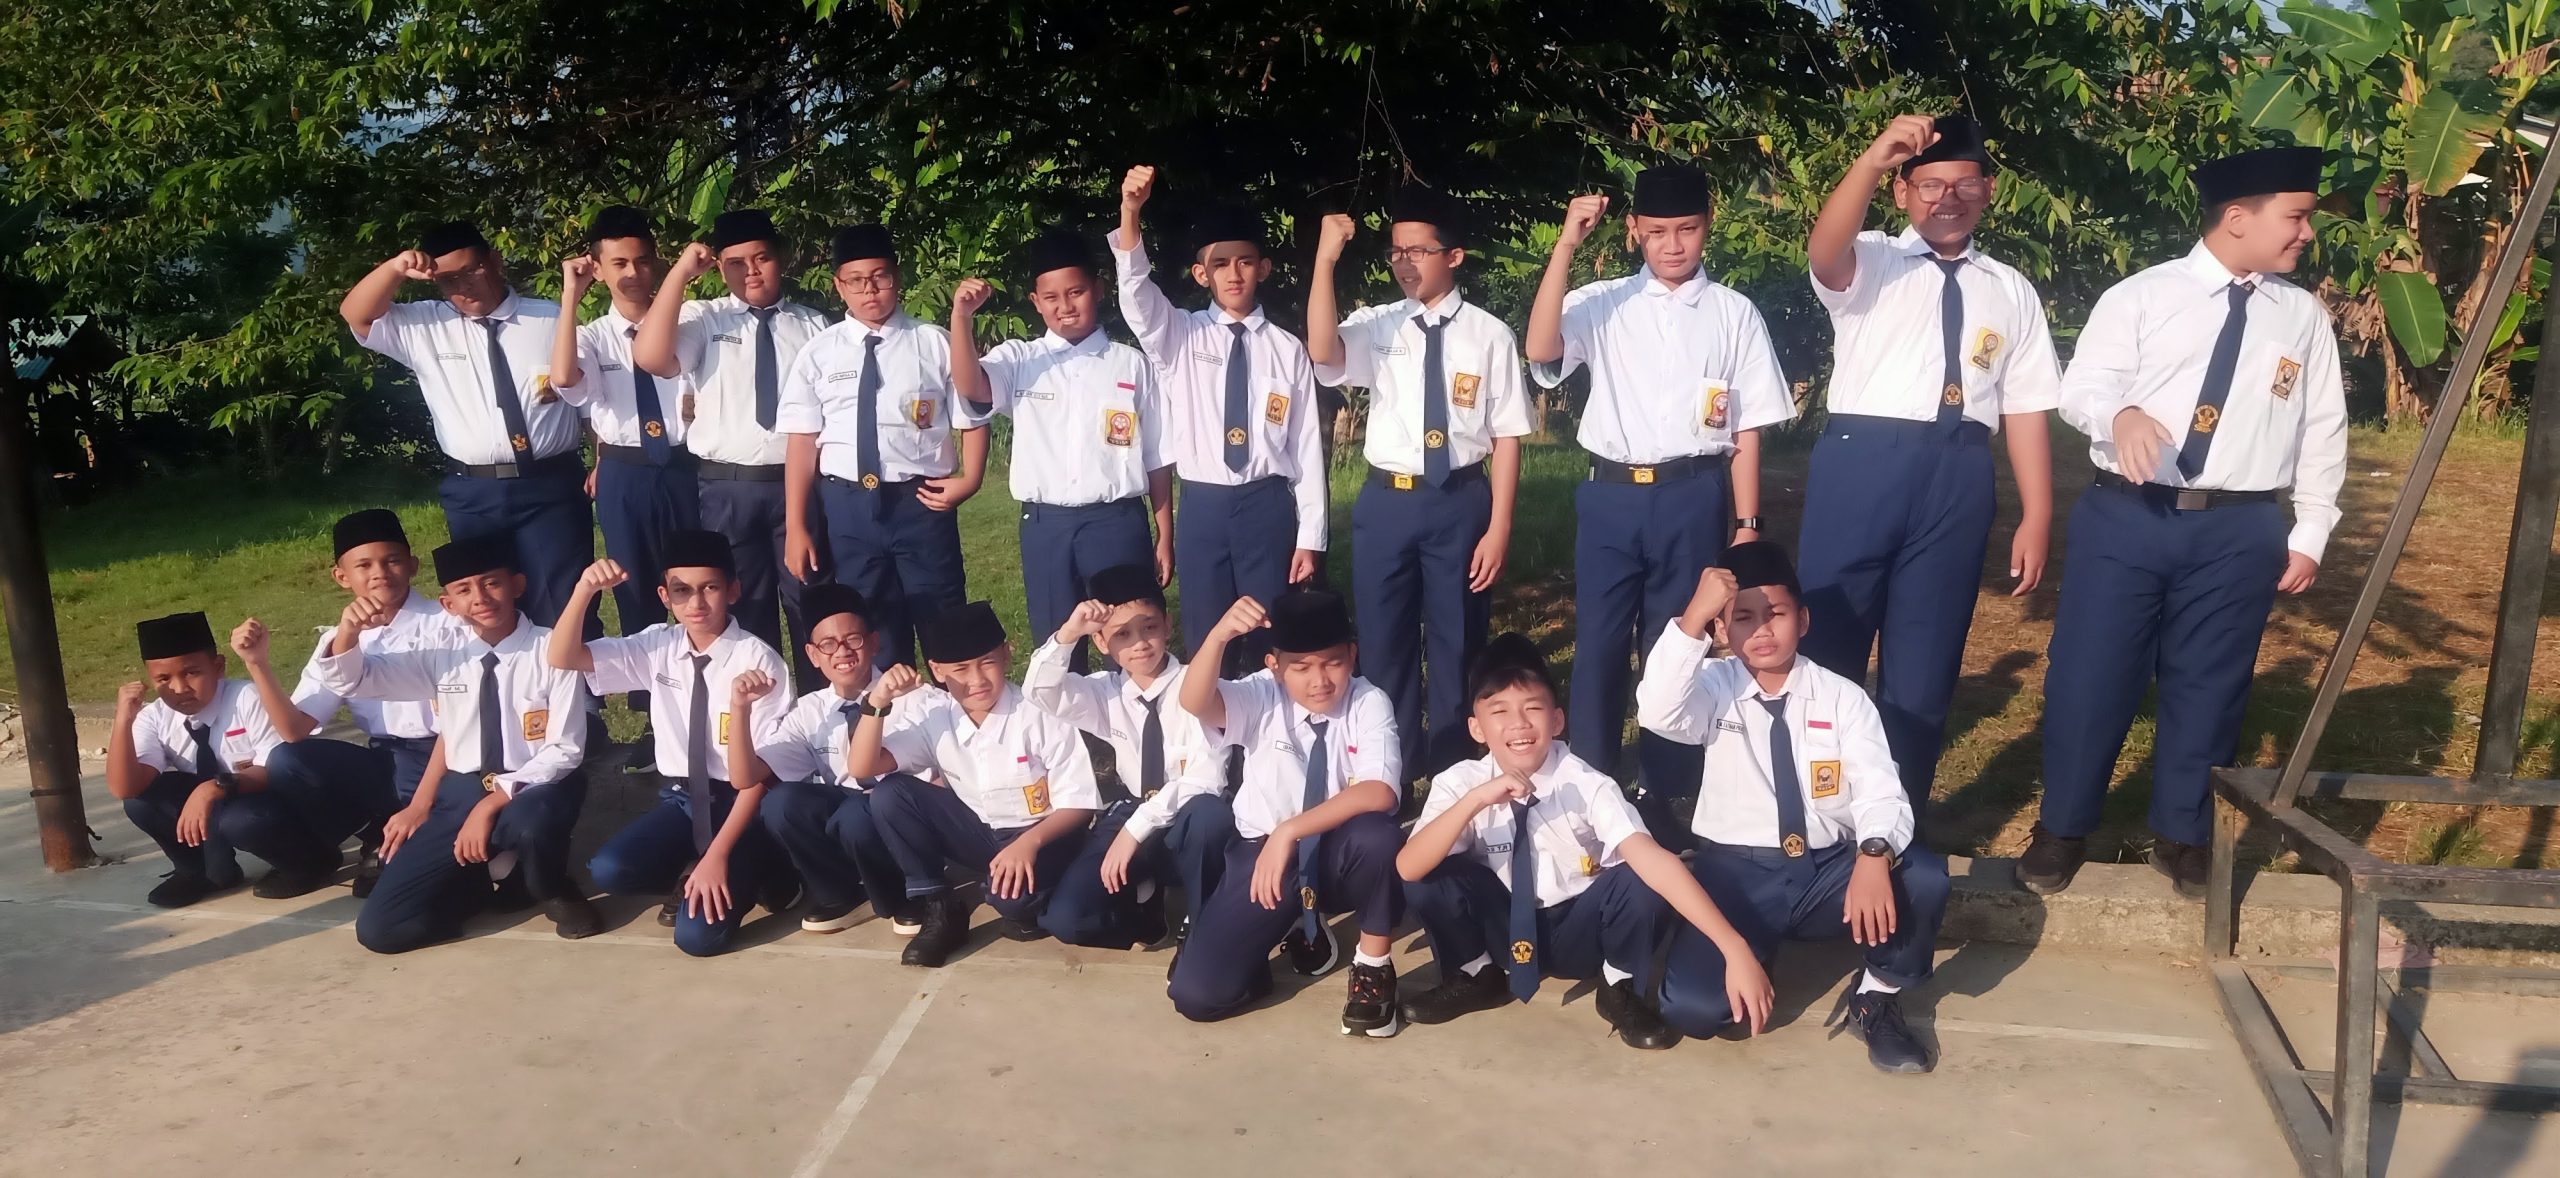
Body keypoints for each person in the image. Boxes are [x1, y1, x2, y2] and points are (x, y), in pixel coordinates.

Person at [2023, 145, 2346, 900]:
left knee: (2211, 682)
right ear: (2237, 218)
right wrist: (2122, 413)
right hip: (2128, 517)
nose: (2306, 233)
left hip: (2238, 527)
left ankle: (2183, 833)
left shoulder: (2300, 316)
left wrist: (2311, 529)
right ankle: (2062, 826)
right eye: (2295, 218)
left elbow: (2323, 426)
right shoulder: (2142, 296)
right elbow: (2083, 387)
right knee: (2091, 675)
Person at [1798, 114, 2060, 822]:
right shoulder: (1873, 261)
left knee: (1926, 660)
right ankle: (1816, 820)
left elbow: (2026, 406)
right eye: (1930, 185)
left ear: (1989, 190)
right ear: (1902, 193)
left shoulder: (2009, 288)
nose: (1948, 199)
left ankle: (1894, 826)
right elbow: (1824, 251)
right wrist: (1871, 160)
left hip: (1959, 474)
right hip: (1862, 468)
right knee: (1829, 646)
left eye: (1965, 185)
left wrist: (2037, 512)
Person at [1523, 165, 1795, 848]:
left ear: (1707, 227)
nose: (1673, 245)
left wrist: (1747, 525)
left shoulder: (1733, 313)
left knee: (1679, 642)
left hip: (1692, 492)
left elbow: (1747, 428)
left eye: (1688, 230)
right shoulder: (1602, 301)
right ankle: (1589, 781)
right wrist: (1565, 246)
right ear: (1634, 231)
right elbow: (1541, 350)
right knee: (1601, 643)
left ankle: (1664, 790)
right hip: (1611, 495)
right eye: (1658, 232)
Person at [1636, 541, 1946, 1074]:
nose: (1761, 630)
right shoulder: (1712, 688)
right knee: (1695, 1011)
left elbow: (1880, 788)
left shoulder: (1842, 698)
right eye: (1743, 618)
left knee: (1923, 877)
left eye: (1775, 614)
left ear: (1802, 620)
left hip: (1827, 872)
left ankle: (1876, 996)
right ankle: (1752, 949)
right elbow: (1657, 712)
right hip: (1736, 876)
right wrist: (1692, 618)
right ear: (1722, 630)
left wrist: (1874, 854)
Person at [1396, 633, 1771, 1049]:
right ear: (1476, 728)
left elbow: (1652, 859)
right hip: (1501, 923)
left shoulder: (1585, 782)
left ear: (1557, 721)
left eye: (1532, 708)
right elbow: (1408, 867)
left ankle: (1618, 985)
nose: (1518, 724)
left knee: (1642, 877)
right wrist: (1475, 801)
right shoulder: (1461, 782)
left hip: (1578, 927)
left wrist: (1733, 947)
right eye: (1499, 710)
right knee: (1428, 869)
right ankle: (1476, 974)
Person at [1308, 185, 1531, 776]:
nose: (1404, 263)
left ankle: (1454, 771)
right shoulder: (1378, 325)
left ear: (1453, 256)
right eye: (1396, 252)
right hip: (1388, 503)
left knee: (1458, 639)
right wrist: (1326, 260)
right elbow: (1323, 351)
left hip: (1459, 501)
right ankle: (1392, 770)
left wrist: (1499, 528)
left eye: (1419, 251)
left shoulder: (1489, 334)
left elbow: (1508, 436)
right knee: (1384, 643)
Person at [316, 535, 602, 950]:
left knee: (531, 823)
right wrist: (348, 633)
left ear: (517, 585)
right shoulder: (443, 655)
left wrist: (492, 802)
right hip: (462, 792)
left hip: (537, 785)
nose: (480, 598)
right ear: (448, 605)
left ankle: (550, 887)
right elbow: (354, 679)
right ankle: (479, 884)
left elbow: (566, 749)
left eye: (492, 583)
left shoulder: (552, 648)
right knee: (380, 931)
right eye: (464, 590)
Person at [843, 602, 1147, 967]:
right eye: (960, 669)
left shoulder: (1038, 712)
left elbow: (1079, 805)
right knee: (892, 794)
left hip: (1046, 836)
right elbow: (862, 767)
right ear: (937, 670)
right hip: (982, 833)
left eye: (987, 662)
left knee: (1012, 903)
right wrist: (877, 702)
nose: (977, 680)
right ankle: (940, 907)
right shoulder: (937, 716)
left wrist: (1028, 844)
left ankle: (1059, 894)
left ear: (1006, 654)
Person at [1111, 166, 1326, 670]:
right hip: (1204, 507)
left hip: (1267, 505)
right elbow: (1137, 296)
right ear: (1200, 274)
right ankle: (1210, 720)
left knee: (1271, 631)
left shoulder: (1287, 349)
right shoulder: (1179, 336)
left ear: (1263, 268)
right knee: (1208, 633)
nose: (1234, 274)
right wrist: (1130, 212)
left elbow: (1306, 445)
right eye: (1221, 264)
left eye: (1245, 262)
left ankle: (1268, 719)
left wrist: (1310, 535)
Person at [552, 530, 803, 957]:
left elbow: (759, 778)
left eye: (710, 588)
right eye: (682, 591)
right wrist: (584, 591)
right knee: (611, 871)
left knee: (697, 940)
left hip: (742, 807)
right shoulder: (659, 645)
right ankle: (690, 873)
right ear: (664, 596)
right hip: (684, 801)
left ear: (733, 590)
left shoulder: (759, 662)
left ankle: (766, 870)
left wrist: (717, 856)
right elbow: (563, 657)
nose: (696, 603)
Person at [1169, 588, 1406, 1036]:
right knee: (1197, 995)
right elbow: (1196, 702)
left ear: (1353, 655)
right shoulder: (1262, 695)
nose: (1320, 680)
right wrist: (1218, 636)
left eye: (1333, 662)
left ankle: (1373, 968)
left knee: (1379, 836)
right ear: (1275, 667)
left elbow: (1380, 791)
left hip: (1337, 855)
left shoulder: (1368, 701)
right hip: (1264, 860)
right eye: (1301, 667)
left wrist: (1290, 831)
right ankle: (1279, 935)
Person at [338, 220, 594, 635]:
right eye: (448, 280)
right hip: (475, 491)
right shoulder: (424, 325)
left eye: (470, 271)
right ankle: (500, 677)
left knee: (563, 601)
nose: (463, 287)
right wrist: (395, 268)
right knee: (484, 604)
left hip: (550, 483)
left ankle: (570, 679)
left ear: (494, 261)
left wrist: (600, 455)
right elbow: (355, 313)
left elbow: (587, 399)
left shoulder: (549, 317)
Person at [952, 227, 1173, 670]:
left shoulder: (1130, 364)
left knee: (1129, 641)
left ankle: (1131, 713)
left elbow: (1156, 456)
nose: (1065, 306)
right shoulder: (1020, 359)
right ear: (1036, 302)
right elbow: (971, 385)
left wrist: (1164, 532)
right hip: (1046, 525)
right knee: (1057, 644)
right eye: (1051, 297)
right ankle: (1068, 717)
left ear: (1099, 290)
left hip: (1116, 522)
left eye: (1076, 292)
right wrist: (961, 318)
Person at [632, 209, 833, 684]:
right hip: (726, 487)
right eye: (736, 263)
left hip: (796, 483)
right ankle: (758, 708)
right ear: (720, 269)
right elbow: (650, 356)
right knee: (744, 604)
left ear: (781, 259)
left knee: (809, 597)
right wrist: (681, 273)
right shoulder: (705, 318)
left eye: (762, 258)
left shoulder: (814, 327)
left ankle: (821, 705)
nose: (752, 271)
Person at [779, 223, 990, 670]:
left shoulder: (933, 342)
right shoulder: (819, 352)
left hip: (920, 503)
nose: (869, 290)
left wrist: (970, 478)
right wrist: (796, 524)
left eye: (880, 277)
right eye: (855, 281)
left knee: (942, 616)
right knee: (870, 622)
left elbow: (972, 414)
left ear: (897, 276)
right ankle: (889, 709)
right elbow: (801, 441)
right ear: (839, 286)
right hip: (849, 506)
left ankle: (953, 705)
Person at [243, 508, 465, 898]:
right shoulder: (339, 635)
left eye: (392, 560)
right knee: (288, 760)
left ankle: (407, 840)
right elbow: (295, 729)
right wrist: (257, 663)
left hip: (444, 758)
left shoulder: (448, 622)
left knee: (426, 875)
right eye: (364, 565)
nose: (380, 573)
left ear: (413, 565)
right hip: (386, 759)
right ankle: (374, 833)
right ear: (341, 576)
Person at [1022, 563, 1236, 937]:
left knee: (1209, 815)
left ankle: (1202, 926)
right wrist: (1069, 634)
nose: (1139, 643)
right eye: (1122, 634)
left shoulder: (1197, 685)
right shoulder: (1106, 693)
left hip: (1186, 818)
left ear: (1167, 625)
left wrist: (1134, 831)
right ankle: (1142, 905)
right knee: (1066, 919)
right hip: (1132, 808)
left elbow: (1207, 779)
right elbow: (1039, 692)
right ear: (1101, 642)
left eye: (1149, 628)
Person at [551, 204, 702, 708]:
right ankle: (651, 709)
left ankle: (701, 694)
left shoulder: (688, 321)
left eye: (640, 260)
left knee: (694, 582)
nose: (632, 273)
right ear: (597, 268)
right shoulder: (591, 336)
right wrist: (570, 295)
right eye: (618, 263)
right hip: (625, 472)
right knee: (633, 588)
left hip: (684, 466)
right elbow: (566, 379)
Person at [740, 582, 924, 934]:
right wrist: (740, 709)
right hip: (849, 817)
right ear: (812, 654)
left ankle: (908, 891)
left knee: (857, 814)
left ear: (874, 642)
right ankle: (841, 892)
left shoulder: (909, 695)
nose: (842, 651)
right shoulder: (810, 710)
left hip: (900, 816)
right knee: (780, 803)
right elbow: (747, 776)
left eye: (853, 639)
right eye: (828, 644)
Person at [107, 612, 305, 907]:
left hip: (267, 801)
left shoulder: (247, 697)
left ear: (218, 666)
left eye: (191, 673)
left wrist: (212, 787)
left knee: (242, 820)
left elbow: (277, 769)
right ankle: (199, 871)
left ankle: (305, 864)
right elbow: (125, 787)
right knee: (141, 801)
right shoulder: (155, 716)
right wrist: (123, 720)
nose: (179, 688)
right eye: (163, 679)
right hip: (217, 804)